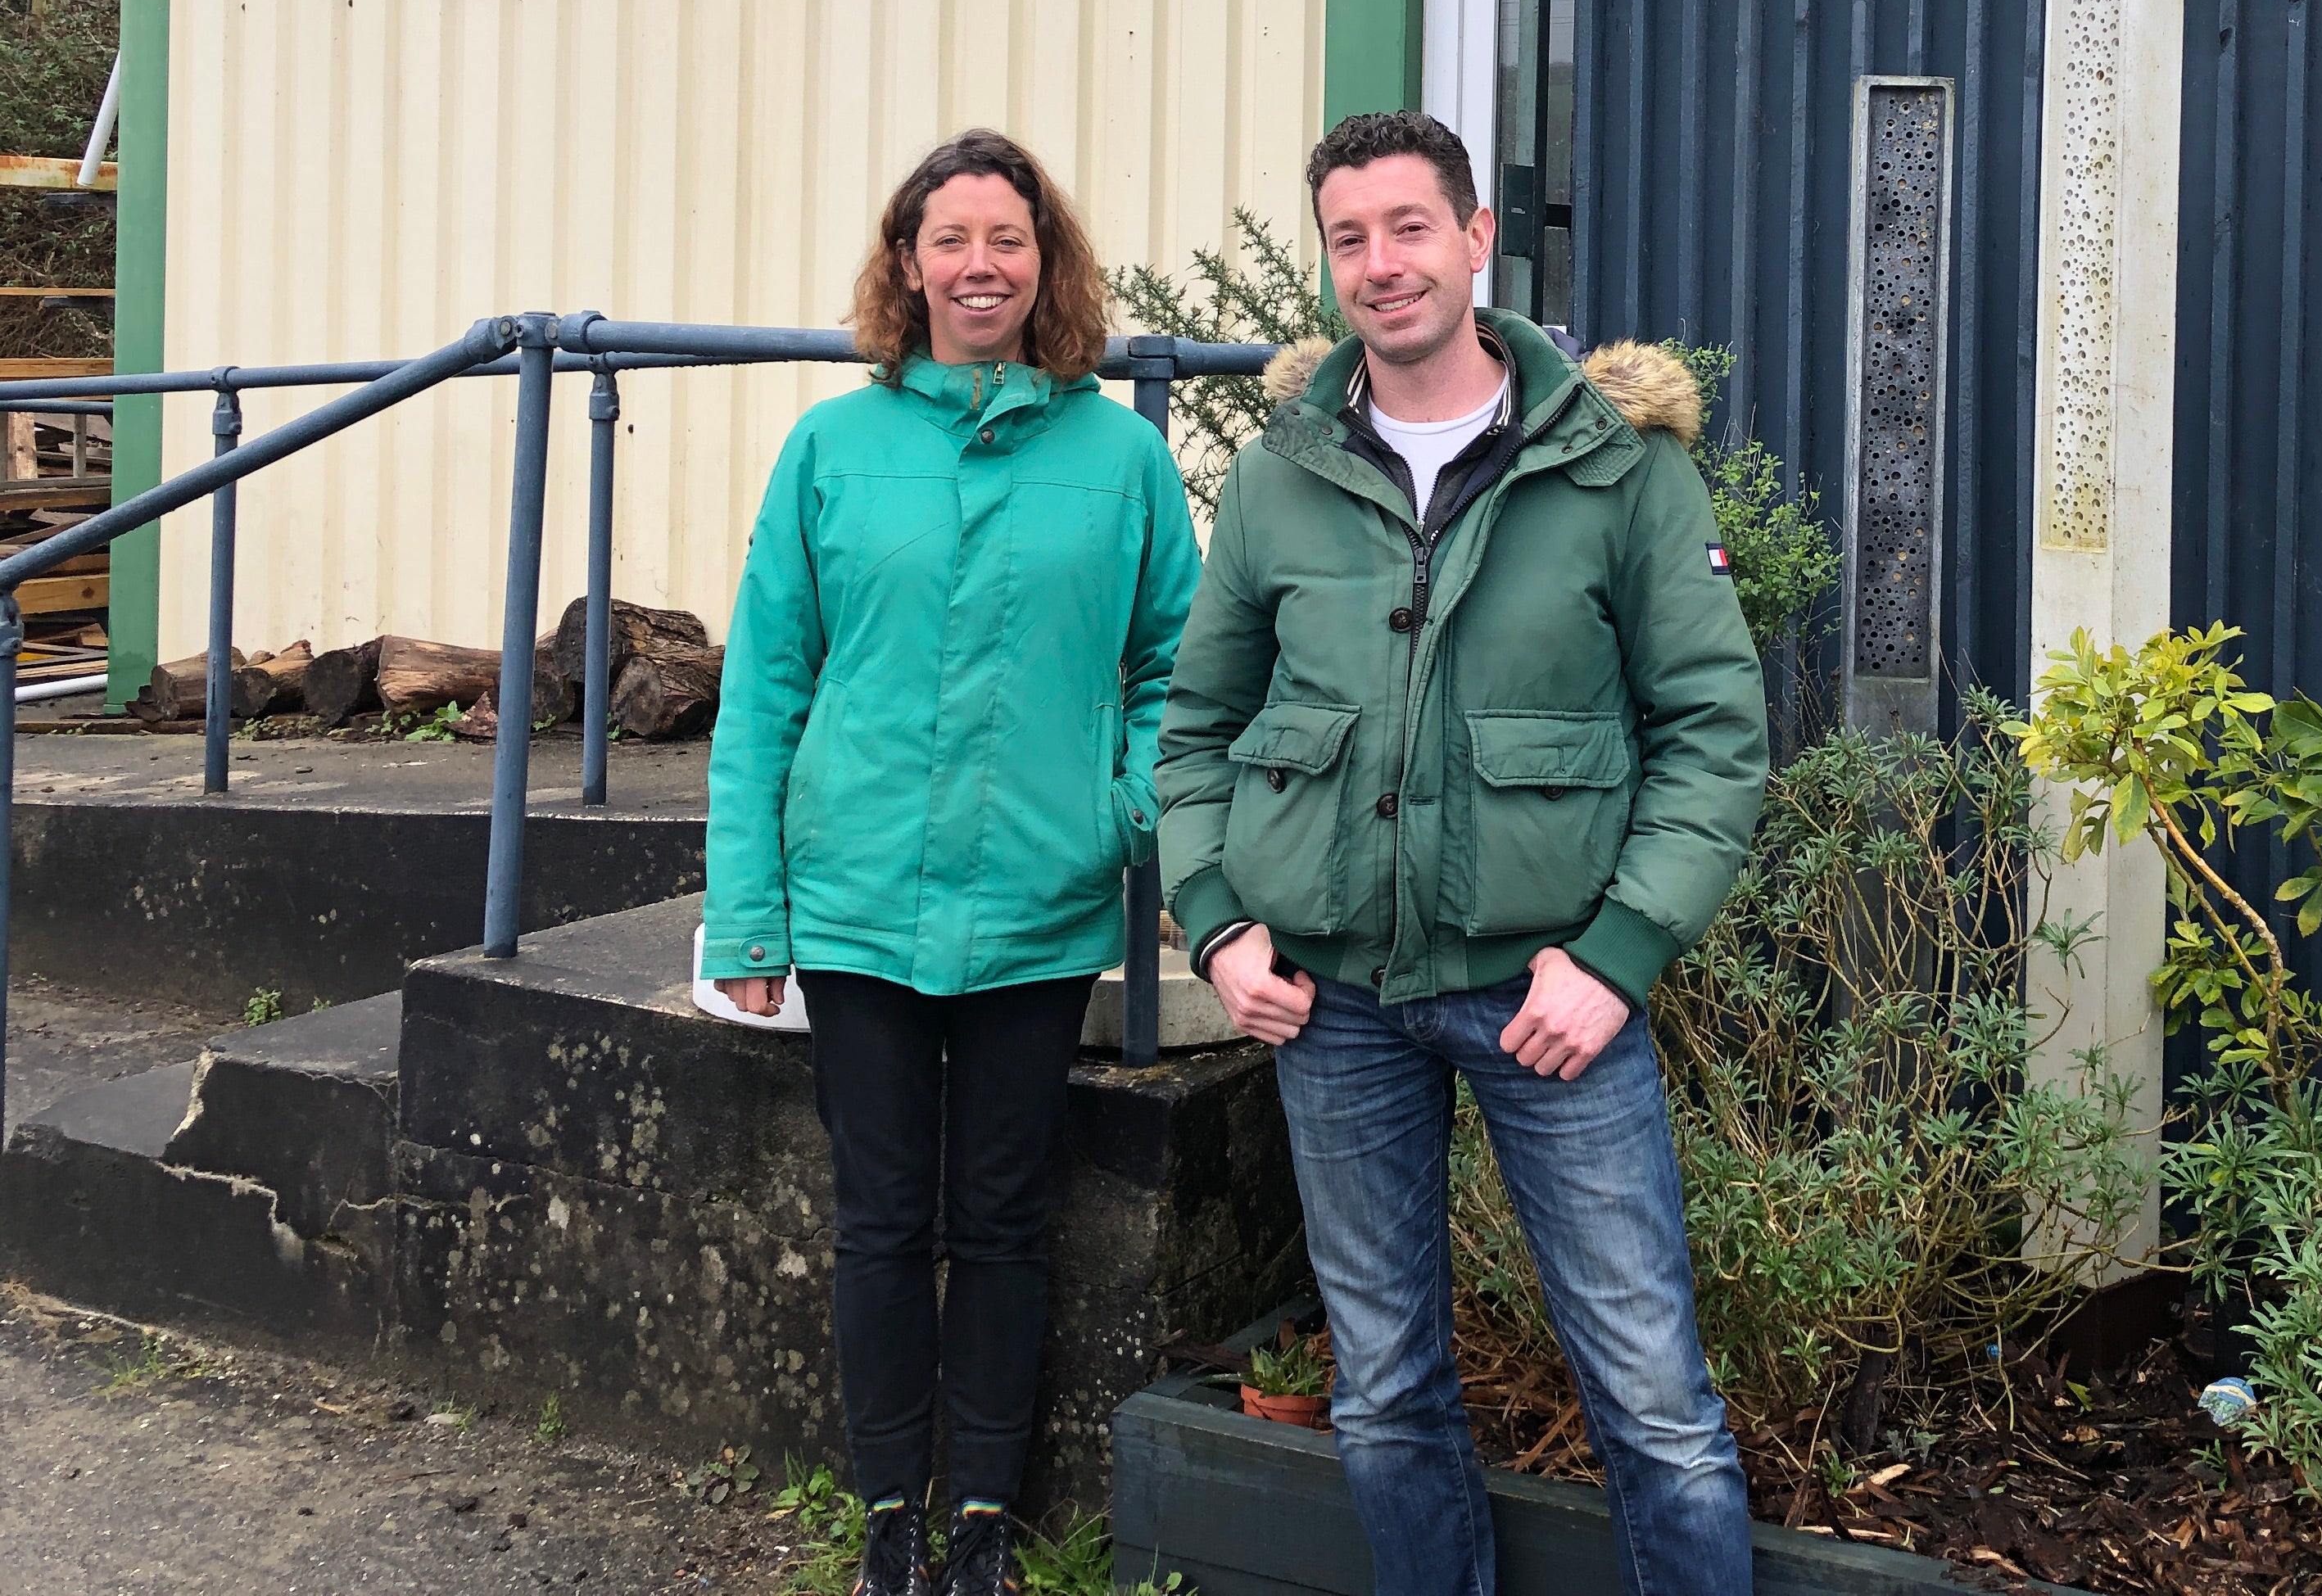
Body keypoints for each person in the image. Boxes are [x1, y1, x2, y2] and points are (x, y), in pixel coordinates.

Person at [1156, 109, 1772, 1596]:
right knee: (1383, 1395)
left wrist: (1621, 958)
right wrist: (1220, 922)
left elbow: (1716, 735)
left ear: (1478, 238)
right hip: (1338, 1009)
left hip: (1552, 1002)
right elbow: (1192, 731)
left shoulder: (1612, 467)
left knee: (1656, 1405)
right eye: (1350, 239)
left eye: (1411, 228)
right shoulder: (1279, 476)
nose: (1383, 265)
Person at [706, 128, 1201, 1596]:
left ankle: (982, 1519)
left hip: (1038, 906)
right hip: (855, 900)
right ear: (905, 262)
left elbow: (1178, 662)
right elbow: (766, 689)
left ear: (1048, 266)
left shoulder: (1119, 456)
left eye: (1009, 240)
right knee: (880, 1220)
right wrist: (749, 912)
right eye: (951, 240)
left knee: (1000, 1219)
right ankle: (888, 1521)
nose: (980, 265)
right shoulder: (831, 448)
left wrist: (1124, 809)